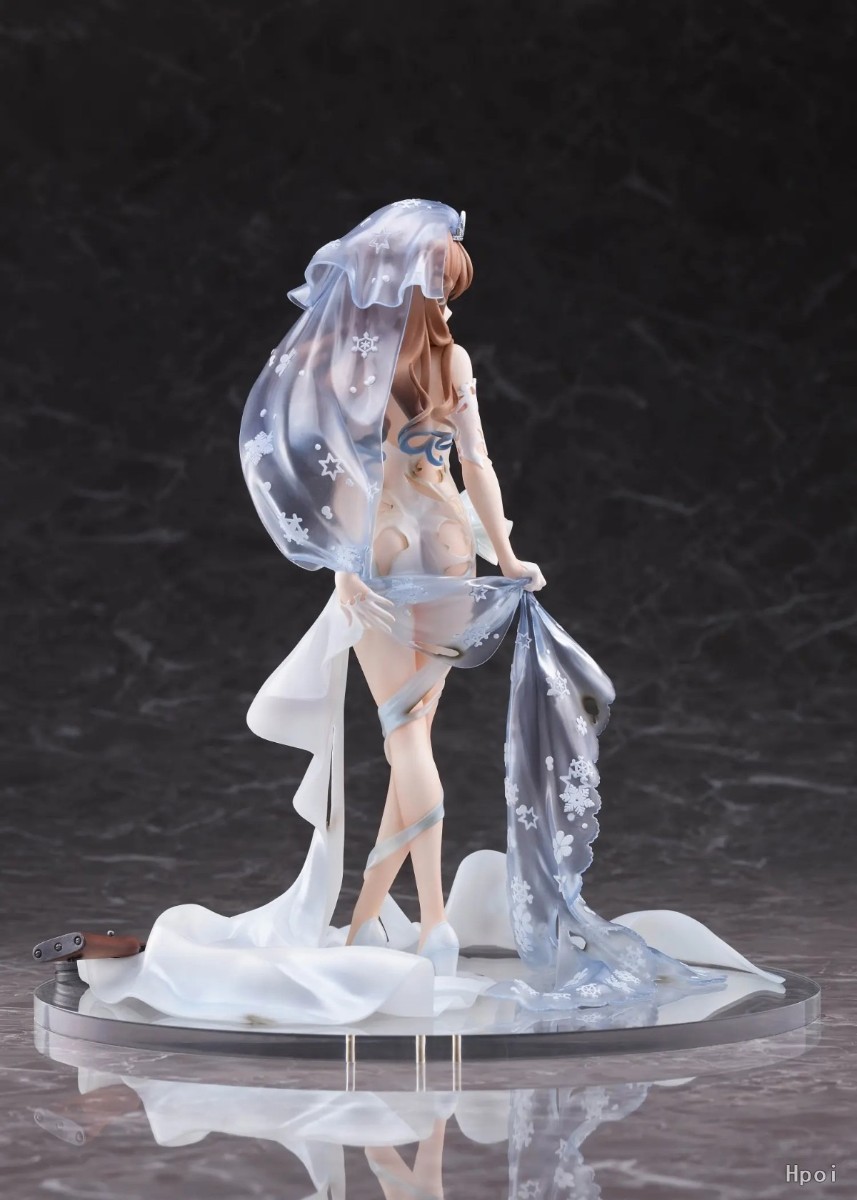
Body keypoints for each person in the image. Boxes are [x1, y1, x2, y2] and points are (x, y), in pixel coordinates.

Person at [69, 201, 783, 1024]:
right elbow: (476, 464)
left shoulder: (348, 359)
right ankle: (370, 916)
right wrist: (504, 555)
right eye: (441, 279)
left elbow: (343, 472)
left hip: (383, 544)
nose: (445, 295)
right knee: (412, 731)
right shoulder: (452, 359)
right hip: (447, 544)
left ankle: (435, 921)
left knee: (404, 737)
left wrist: (345, 568)